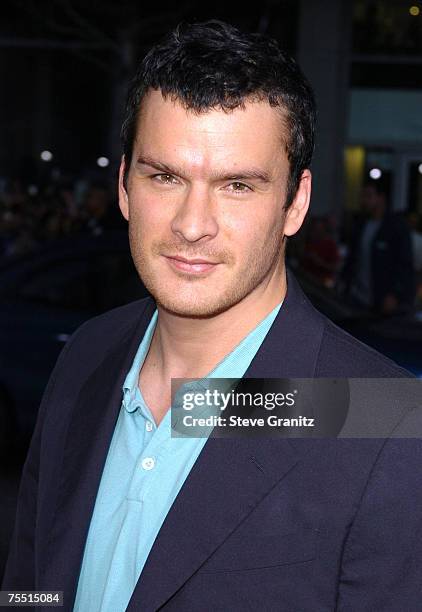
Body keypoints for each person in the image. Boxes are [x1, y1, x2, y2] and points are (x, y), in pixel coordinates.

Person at [3, 20, 422, 611]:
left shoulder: (389, 426)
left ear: (295, 203)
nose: (192, 223)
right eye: (165, 176)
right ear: (124, 186)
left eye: (236, 186)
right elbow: (32, 583)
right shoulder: (87, 353)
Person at [342, 181, 415, 315]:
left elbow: (404, 264)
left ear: (381, 198)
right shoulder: (360, 225)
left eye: (369, 196)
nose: (364, 201)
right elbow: (353, 258)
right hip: (359, 297)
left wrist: (394, 294)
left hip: (383, 299)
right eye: (363, 196)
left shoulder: (396, 227)